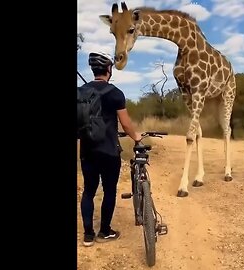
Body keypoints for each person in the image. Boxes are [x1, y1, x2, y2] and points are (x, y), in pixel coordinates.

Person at [79, 51, 141, 247]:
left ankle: (88, 235)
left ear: (93, 69)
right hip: (109, 151)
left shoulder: (80, 92)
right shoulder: (115, 93)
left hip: (87, 150)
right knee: (109, 191)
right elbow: (126, 124)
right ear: (108, 69)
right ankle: (104, 231)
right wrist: (136, 137)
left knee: (88, 191)